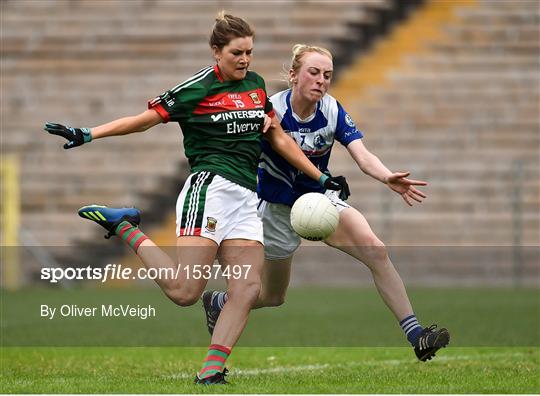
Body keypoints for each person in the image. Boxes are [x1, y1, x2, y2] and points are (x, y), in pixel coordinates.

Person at [44, 18, 349, 385]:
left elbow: (280, 139)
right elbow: (143, 121)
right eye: (237, 52)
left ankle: (211, 372)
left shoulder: (256, 87)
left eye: (250, 52)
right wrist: (88, 133)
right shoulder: (197, 88)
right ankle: (124, 227)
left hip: (246, 198)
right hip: (210, 190)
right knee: (186, 292)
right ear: (216, 52)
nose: (245, 60)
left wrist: (321, 178)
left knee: (249, 288)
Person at [202, 44, 450, 362]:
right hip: (276, 212)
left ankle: (416, 335)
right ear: (293, 75)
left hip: (320, 200)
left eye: (328, 75)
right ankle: (219, 302)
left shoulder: (331, 110)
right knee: (273, 296)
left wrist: (386, 176)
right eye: (314, 72)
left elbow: (362, 154)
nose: (322, 80)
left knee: (376, 249)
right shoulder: (269, 111)